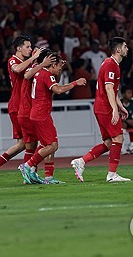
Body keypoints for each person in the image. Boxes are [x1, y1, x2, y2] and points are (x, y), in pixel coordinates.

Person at [20, 51, 87, 184]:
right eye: (59, 66)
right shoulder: (46, 74)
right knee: (52, 146)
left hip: (39, 113)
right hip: (41, 115)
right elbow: (58, 90)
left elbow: (55, 80)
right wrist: (75, 83)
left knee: (46, 145)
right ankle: (27, 166)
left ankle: (44, 174)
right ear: (52, 64)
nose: (60, 68)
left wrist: (58, 67)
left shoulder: (40, 73)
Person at [71, 37, 131, 183]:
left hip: (101, 106)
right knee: (118, 138)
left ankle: (81, 162)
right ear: (118, 49)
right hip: (105, 107)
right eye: (125, 46)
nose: (127, 48)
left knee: (109, 143)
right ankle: (112, 174)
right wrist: (114, 110)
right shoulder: (111, 65)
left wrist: (120, 106)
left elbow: (113, 90)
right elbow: (109, 89)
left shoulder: (110, 63)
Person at [0, 36, 42, 184]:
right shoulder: (13, 60)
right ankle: (29, 173)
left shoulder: (25, 61)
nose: (30, 49)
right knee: (31, 142)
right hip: (18, 106)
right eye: (27, 47)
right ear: (18, 48)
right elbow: (17, 69)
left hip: (24, 105)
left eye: (31, 47)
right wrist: (34, 58)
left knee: (25, 143)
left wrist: (36, 61)